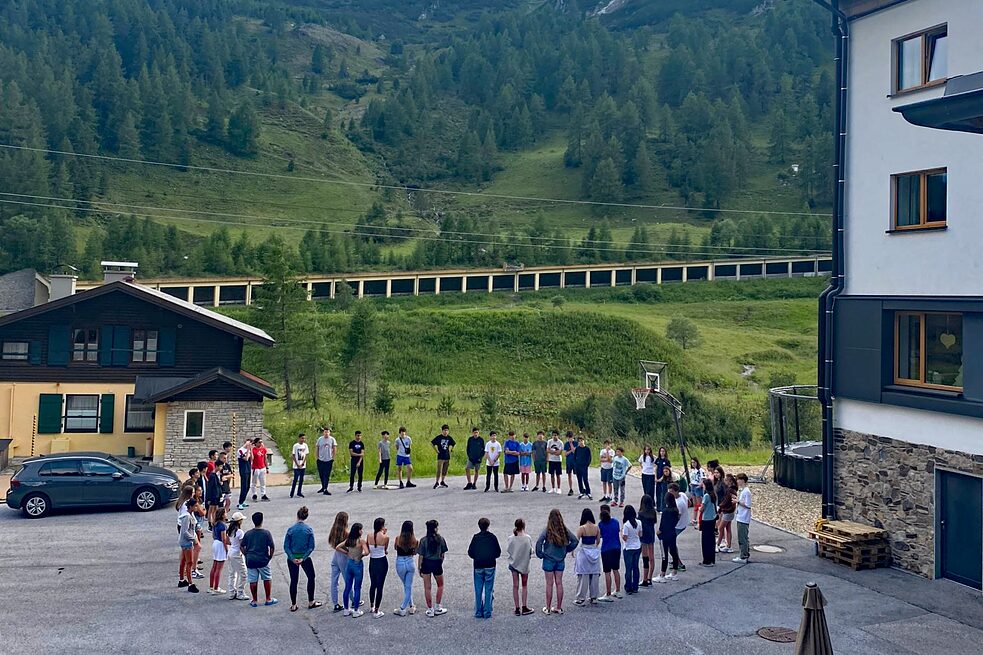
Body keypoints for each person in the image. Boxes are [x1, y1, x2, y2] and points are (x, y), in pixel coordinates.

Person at [535, 508, 578, 615]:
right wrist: (566, 549)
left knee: (549, 584)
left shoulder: (547, 530)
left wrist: (540, 554)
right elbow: (575, 540)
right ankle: (559, 607)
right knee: (559, 583)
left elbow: (539, 541)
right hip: (560, 560)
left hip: (548, 559)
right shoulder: (564, 530)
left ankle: (548, 608)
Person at [284, 506, 321, 611]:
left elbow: (286, 546)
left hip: (292, 557)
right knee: (311, 577)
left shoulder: (291, 529)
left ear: (297, 515)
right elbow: (311, 547)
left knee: (294, 580)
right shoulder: (308, 529)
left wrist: (292, 558)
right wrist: (303, 558)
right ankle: (311, 601)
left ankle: (294, 604)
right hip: (304, 557)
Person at [240, 511, 277, 607]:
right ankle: (268, 598)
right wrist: (269, 557)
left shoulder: (248, 534)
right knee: (267, 578)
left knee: (253, 580)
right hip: (263, 559)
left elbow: (242, 546)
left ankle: (254, 600)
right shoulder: (266, 533)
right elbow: (272, 547)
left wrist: (246, 554)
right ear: (262, 520)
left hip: (251, 560)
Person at [468, 517, 501, 619]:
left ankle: (478, 611)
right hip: (490, 564)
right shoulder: (492, 537)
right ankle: (487, 611)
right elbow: (498, 552)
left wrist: (477, 557)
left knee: (478, 589)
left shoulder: (476, 537)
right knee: (488, 588)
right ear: (488, 526)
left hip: (478, 565)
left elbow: (470, 552)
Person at [418, 519, 449, 617]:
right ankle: (437, 606)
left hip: (426, 563)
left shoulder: (423, 540)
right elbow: (443, 554)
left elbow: (421, 556)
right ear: (436, 528)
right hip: (437, 563)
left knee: (427, 587)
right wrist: (440, 562)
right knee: (440, 585)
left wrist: (419, 567)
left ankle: (430, 609)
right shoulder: (441, 539)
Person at [339, 523, 368, 617]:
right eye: (361, 530)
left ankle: (346, 609)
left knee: (347, 587)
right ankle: (356, 610)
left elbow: (338, 547)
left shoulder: (349, 540)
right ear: (358, 531)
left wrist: (346, 552)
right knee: (357, 587)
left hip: (349, 563)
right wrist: (361, 555)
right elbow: (367, 552)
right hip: (357, 564)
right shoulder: (361, 541)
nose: (362, 531)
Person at [506, 519, 535, 616]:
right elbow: (531, 551)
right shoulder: (527, 538)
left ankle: (517, 608)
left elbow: (509, 550)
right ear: (524, 526)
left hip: (514, 564)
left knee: (515, 586)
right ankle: (524, 606)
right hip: (524, 564)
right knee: (524, 585)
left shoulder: (511, 538)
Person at [574, 508, 601, 606]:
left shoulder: (582, 528)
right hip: (594, 551)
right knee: (594, 575)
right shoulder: (596, 527)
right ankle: (594, 597)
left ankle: (581, 598)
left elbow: (576, 541)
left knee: (583, 576)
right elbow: (598, 541)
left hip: (584, 552)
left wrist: (572, 551)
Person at [393, 521, 418, 616]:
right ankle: (411, 606)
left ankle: (402, 608)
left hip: (400, 562)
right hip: (410, 562)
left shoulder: (398, 539)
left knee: (406, 585)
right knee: (408, 586)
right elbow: (415, 552)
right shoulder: (415, 541)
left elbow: (395, 548)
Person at [597, 504, 622, 601]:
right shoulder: (615, 522)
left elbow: (600, 536)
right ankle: (618, 590)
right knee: (616, 570)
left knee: (607, 572)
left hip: (606, 549)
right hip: (616, 547)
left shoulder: (601, 524)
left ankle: (608, 593)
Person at [367, 517, 390, 618]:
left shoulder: (369, 536)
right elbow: (385, 550)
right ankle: (377, 610)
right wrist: (384, 534)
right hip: (382, 561)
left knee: (373, 584)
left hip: (372, 561)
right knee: (380, 586)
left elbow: (368, 548)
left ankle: (372, 605)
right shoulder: (386, 537)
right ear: (382, 526)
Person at [328, 512, 351, 612]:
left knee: (334, 581)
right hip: (343, 556)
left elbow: (331, 542)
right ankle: (354, 599)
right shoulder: (346, 533)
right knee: (348, 579)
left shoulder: (333, 530)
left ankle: (335, 603)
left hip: (335, 556)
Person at [656, 492, 681, 582]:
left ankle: (662, 574)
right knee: (674, 552)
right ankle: (674, 572)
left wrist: (659, 532)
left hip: (664, 535)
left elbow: (662, 524)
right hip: (672, 533)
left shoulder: (665, 511)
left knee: (664, 555)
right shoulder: (676, 510)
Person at [178, 497, 199, 593]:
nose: (196, 508)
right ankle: (191, 583)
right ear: (190, 507)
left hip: (185, 541)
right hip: (187, 541)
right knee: (189, 562)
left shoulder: (188, 515)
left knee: (183, 561)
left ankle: (182, 579)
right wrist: (194, 539)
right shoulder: (187, 517)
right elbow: (185, 531)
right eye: (195, 506)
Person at [621, 505, 642, 595]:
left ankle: (628, 587)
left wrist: (621, 533)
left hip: (628, 547)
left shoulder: (626, 525)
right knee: (635, 567)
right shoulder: (639, 522)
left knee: (628, 568)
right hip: (637, 546)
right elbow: (640, 534)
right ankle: (635, 586)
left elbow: (625, 538)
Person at [227, 511, 248, 600]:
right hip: (236, 554)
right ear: (239, 521)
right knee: (243, 574)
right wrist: (246, 554)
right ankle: (240, 592)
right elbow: (242, 545)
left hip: (230, 552)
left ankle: (232, 592)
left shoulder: (231, 531)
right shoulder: (239, 532)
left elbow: (228, 541)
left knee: (232, 573)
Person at [638, 494, 657, 587]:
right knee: (651, 557)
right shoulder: (653, 512)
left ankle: (645, 579)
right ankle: (650, 578)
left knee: (645, 557)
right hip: (651, 534)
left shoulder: (641, 514)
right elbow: (654, 522)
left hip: (644, 535)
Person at [209, 507, 229, 594]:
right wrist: (227, 549)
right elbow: (224, 539)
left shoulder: (215, 524)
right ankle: (216, 587)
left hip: (215, 543)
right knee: (219, 568)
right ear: (222, 515)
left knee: (214, 566)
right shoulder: (223, 525)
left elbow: (214, 535)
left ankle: (211, 586)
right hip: (220, 545)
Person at [698, 479, 718, 567]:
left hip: (706, 519)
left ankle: (706, 560)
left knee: (705, 540)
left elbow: (702, 508)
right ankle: (711, 559)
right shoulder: (714, 495)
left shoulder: (706, 496)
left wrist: (699, 509)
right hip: (712, 518)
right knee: (711, 539)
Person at [734, 473, 752, 563]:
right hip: (741, 516)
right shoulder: (743, 490)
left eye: (738, 479)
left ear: (742, 480)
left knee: (742, 537)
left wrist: (738, 501)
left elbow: (748, 505)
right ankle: (745, 554)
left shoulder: (746, 492)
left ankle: (743, 556)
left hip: (743, 517)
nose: (737, 481)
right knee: (743, 536)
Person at [670, 483, 689, 572]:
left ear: (676, 491)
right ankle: (675, 559)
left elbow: (677, 517)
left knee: (670, 544)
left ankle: (679, 563)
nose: (670, 493)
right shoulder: (683, 495)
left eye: (671, 492)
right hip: (684, 522)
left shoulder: (678, 504)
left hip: (678, 525)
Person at [717, 475, 737, 554]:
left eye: (726, 480)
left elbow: (726, 501)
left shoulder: (729, 490)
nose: (725, 481)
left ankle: (718, 543)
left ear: (730, 481)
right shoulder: (732, 490)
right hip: (730, 511)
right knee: (728, 528)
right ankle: (728, 545)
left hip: (727, 511)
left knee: (720, 528)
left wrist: (720, 506)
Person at [431, 425, 455, 489]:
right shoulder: (439, 437)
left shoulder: (449, 438)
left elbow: (453, 444)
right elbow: (432, 443)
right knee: (439, 469)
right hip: (440, 456)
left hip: (447, 456)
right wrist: (436, 450)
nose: (446, 432)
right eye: (444, 430)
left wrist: (451, 449)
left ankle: (442, 481)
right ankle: (437, 482)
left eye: (447, 430)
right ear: (442, 431)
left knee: (445, 469)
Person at [315, 427, 337, 495]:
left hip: (329, 460)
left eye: (328, 432)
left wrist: (333, 457)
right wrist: (317, 457)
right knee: (321, 474)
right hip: (321, 460)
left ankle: (325, 489)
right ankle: (323, 487)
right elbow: (317, 448)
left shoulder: (332, 439)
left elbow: (334, 448)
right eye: (325, 432)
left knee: (326, 475)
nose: (326, 433)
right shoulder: (320, 439)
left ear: (329, 433)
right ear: (323, 432)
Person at [250, 438, 270, 503]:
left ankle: (263, 494)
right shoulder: (253, 450)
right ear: (255, 443)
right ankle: (254, 494)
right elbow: (252, 458)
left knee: (263, 482)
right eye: (259, 442)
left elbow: (265, 458)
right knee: (254, 482)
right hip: (255, 468)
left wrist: (267, 467)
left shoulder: (263, 449)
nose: (260, 443)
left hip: (262, 467)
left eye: (261, 442)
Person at [573, 434, 592, 500]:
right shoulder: (577, 449)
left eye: (582, 440)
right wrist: (575, 465)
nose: (581, 442)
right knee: (579, 479)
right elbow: (574, 457)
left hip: (584, 466)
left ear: (584, 441)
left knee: (585, 479)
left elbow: (589, 458)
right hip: (578, 466)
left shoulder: (587, 449)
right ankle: (581, 491)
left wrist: (586, 465)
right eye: (579, 441)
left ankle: (588, 492)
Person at [290, 433, 309, 499]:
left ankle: (299, 492)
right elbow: (293, 455)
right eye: (302, 438)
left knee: (301, 479)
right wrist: (297, 464)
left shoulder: (305, 445)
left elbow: (306, 455)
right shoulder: (295, 446)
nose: (303, 439)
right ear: (299, 438)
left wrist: (303, 463)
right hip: (296, 466)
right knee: (295, 479)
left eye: (304, 438)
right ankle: (292, 492)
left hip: (303, 465)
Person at [236, 439, 253, 509]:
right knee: (244, 486)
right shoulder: (240, 450)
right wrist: (248, 449)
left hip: (248, 469)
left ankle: (243, 501)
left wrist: (250, 451)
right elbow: (245, 459)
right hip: (243, 470)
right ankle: (240, 502)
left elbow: (252, 459)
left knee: (248, 486)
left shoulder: (249, 450)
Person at [689, 457, 706, 524]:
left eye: (694, 462)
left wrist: (700, 485)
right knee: (695, 504)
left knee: (699, 503)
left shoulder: (700, 470)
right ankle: (694, 518)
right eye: (692, 462)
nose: (693, 464)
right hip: (693, 485)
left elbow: (702, 478)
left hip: (697, 486)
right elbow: (693, 478)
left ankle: (700, 518)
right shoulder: (692, 470)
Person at [204, 461, 222, 528]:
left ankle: (214, 521)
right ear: (216, 466)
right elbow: (210, 487)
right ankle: (210, 524)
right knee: (211, 509)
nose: (221, 468)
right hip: (213, 495)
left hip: (217, 495)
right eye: (220, 466)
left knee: (215, 509)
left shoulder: (216, 475)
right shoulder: (212, 475)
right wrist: (208, 498)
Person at [655, 447, 671, 511]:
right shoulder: (658, 460)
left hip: (664, 479)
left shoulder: (667, 461)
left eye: (663, 451)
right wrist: (656, 477)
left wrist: (661, 478)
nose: (662, 452)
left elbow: (667, 471)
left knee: (663, 493)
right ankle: (658, 507)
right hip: (658, 478)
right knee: (658, 493)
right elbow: (656, 468)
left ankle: (663, 508)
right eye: (661, 451)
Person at [563, 431, 578, 496]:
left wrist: (572, 444)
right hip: (569, 461)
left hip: (575, 461)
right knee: (569, 475)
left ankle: (581, 488)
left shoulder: (576, 443)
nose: (569, 439)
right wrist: (571, 450)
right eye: (568, 437)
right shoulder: (566, 444)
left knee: (578, 475)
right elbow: (565, 454)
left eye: (570, 437)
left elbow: (575, 452)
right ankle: (571, 489)